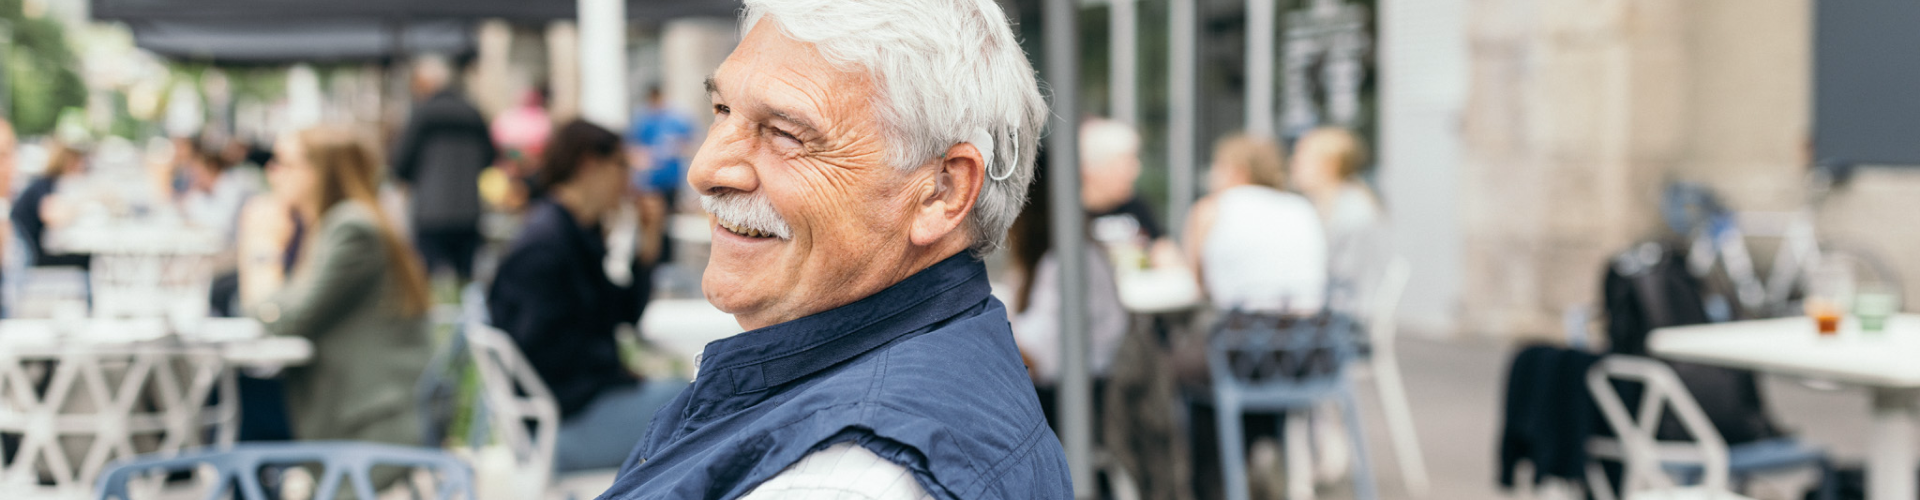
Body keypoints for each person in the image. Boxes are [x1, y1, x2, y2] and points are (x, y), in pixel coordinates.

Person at [598, 0, 1069, 497]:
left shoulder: (844, 477)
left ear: (942, 192)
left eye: (785, 133)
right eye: (722, 110)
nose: (705, 169)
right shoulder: (954, 351)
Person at [487, 120, 687, 472]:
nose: (629, 182)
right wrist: (618, 375)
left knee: (694, 396)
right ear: (589, 165)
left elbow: (623, 313)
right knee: (696, 403)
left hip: (577, 409)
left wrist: (649, 241)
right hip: (560, 428)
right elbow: (542, 350)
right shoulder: (546, 246)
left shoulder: (573, 232)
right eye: (622, 166)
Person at [248, 126, 433, 449]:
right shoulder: (335, 224)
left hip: (369, 417)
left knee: (239, 402)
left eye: (284, 163)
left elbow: (285, 320)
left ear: (318, 171)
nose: (272, 173)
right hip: (352, 400)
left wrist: (264, 249)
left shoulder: (351, 228)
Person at [1176, 134, 1330, 500]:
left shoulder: (1211, 209)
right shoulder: (1302, 208)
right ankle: (1260, 450)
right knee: (1239, 355)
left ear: (1236, 171)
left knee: (1177, 365)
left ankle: (1210, 481)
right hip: (1310, 355)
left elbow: (1196, 285)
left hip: (1244, 352)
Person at [392, 54, 497, 283]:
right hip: (469, 211)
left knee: (427, 279)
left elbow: (400, 163)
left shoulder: (422, 114)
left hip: (431, 213)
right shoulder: (473, 112)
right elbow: (489, 157)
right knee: (465, 280)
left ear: (424, 83)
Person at [1290, 126, 1389, 311]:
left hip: (1343, 316)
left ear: (1330, 164)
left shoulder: (1354, 212)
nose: (1293, 164)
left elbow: (1343, 277)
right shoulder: (1321, 205)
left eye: (1301, 159)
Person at [10, 142, 90, 269]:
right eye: (79, 161)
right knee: (85, 260)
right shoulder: (44, 185)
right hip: (31, 257)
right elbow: (53, 217)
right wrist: (82, 205)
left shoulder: (46, 183)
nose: (82, 165)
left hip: (31, 252)